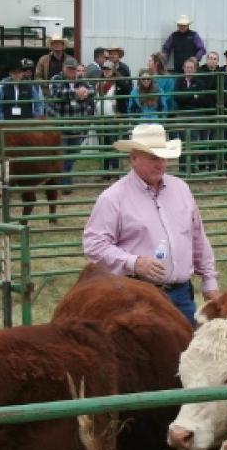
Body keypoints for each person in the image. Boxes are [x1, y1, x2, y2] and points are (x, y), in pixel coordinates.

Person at [83, 123, 219, 325]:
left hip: (181, 295)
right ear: (134, 158)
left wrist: (209, 281)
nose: (161, 164)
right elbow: (94, 245)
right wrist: (134, 263)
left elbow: (197, 237)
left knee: (186, 352)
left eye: (164, 157)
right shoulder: (113, 198)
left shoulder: (180, 189)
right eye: (154, 158)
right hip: (136, 298)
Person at [47, 57, 96, 189]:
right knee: (62, 154)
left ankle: (66, 180)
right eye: (69, 69)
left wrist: (85, 92)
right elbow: (57, 92)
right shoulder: (56, 79)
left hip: (76, 124)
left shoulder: (81, 80)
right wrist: (77, 93)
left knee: (73, 154)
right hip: (60, 125)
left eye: (74, 69)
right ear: (64, 68)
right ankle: (64, 182)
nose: (72, 72)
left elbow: (93, 90)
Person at [173, 57, 210, 172]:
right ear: (183, 69)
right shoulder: (179, 81)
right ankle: (183, 168)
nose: (189, 70)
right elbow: (177, 97)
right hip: (182, 113)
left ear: (195, 69)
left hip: (196, 113)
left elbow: (202, 99)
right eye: (187, 67)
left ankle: (192, 166)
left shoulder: (200, 82)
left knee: (193, 141)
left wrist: (186, 97)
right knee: (183, 141)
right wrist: (192, 95)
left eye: (191, 68)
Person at [105, 43, 133, 115]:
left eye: (115, 54)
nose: (112, 56)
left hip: (121, 103)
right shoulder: (105, 67)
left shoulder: (124, 68)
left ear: (119, 56)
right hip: (106, 104)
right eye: (110, 54)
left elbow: (127, 87)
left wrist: (115, 73)